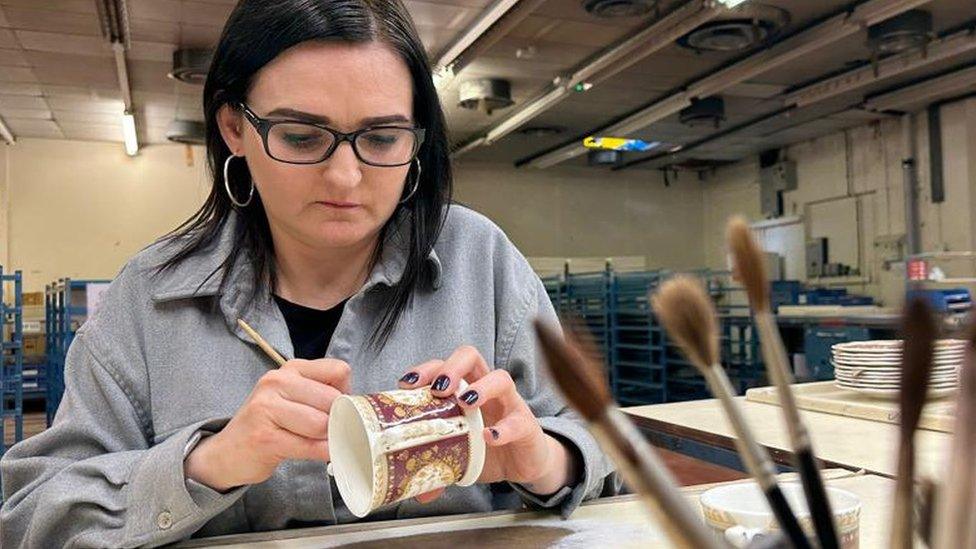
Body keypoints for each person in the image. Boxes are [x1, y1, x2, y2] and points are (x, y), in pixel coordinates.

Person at [0, 0, 618, 546]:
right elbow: (29, 514)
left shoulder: (480, 260)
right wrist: (209, 464)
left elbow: (610, 450)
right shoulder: (151, 296)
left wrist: (543, 458)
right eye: (300, 137)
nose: (346, 178)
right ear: (235, 129)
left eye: (381, 139)